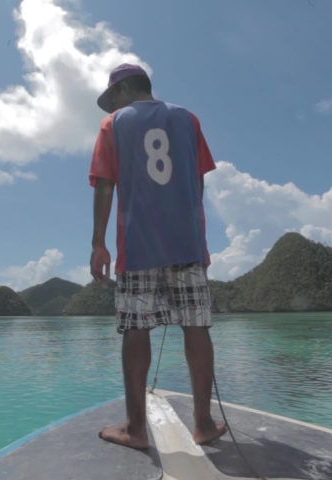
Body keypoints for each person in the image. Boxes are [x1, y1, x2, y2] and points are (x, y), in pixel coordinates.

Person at [88, 63, 228, 450]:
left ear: (123, 92)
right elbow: (197, 180)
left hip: (137, 246)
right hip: (187, 245)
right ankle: (203, 423)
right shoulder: (188, 119)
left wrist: (99, 243)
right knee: (196, 328)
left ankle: (135, 429)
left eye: (112, 96)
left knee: (136, 330)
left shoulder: (113, 125)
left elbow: (104, 184)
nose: (112, 104)